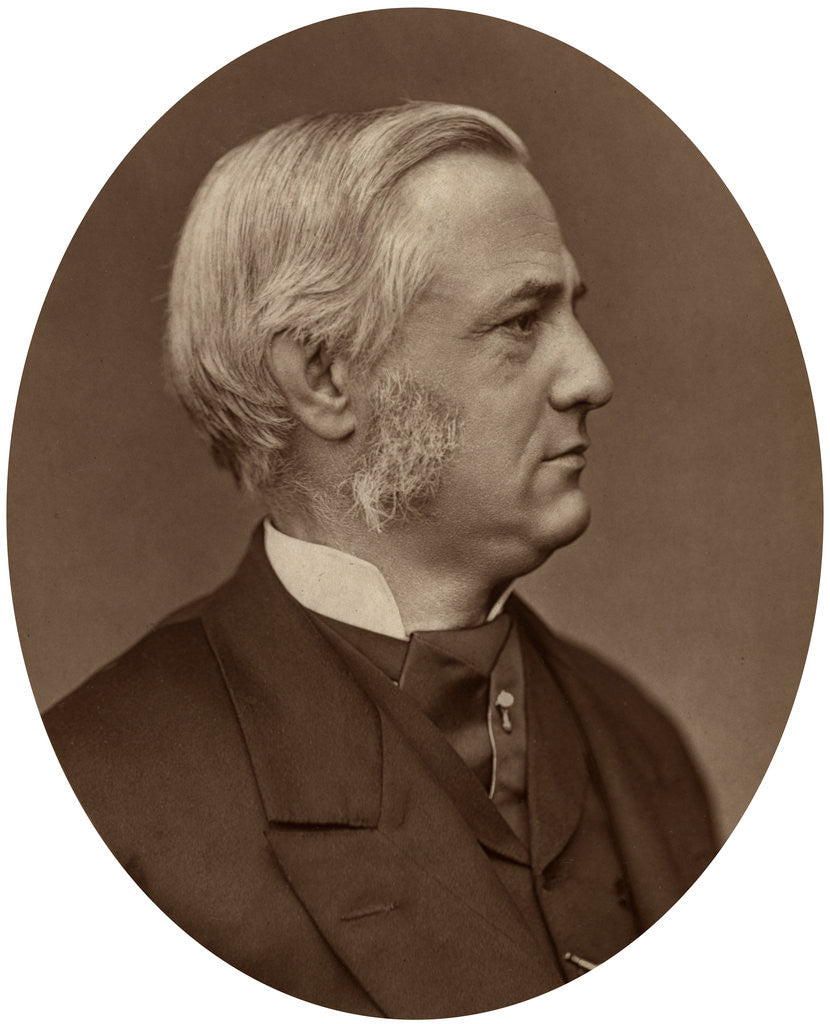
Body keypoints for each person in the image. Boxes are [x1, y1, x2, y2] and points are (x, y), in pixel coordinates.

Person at [44, 101, 716, 1017]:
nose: (592, 377)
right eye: (521, 321)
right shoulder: (94, 801)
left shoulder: (639, 738)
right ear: (325, 376)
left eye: (571, 311)